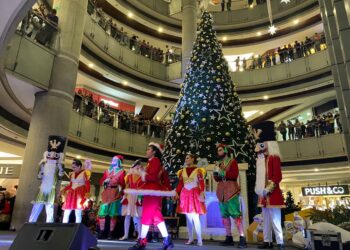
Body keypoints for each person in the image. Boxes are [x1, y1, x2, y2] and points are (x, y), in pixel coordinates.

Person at [127, 142, 175, 250]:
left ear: (154, 152)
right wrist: (142, 172)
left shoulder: (155, 161)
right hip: (151, 191)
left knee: (147, 215)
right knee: (157, 217)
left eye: (148, 149)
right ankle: (167, 240)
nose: (146, 151)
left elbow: (153, 177)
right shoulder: (151, 162)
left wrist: (141, 173)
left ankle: (142, 241)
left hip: (152, 191)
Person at [253, 121, 285, 250]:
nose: (259, 146)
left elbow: (277, 176)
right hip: (263, 195)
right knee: (265, 219)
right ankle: (267, 241)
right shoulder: (261, 160)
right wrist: (261, 189)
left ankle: (280, 241)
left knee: (276, 220)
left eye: (262, 143)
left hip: (272, 194)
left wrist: (268, 189)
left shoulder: (274, 158)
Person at [213, 144, 247, 248]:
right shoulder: (218, 163)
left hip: (231, 191)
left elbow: (234, 175)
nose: (218, 152)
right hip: (221, 192)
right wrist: (216, 173)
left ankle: (242, 238)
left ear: (225, 151)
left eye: (220, 150)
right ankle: (229, 237)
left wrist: (222, 172)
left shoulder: (232, 162)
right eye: (218, 150)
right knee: (224, 215)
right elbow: (216, 179)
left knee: (236, 214)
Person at [29, 136, 65, 223]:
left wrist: (61, 169)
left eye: (54, 155)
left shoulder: (58, 166)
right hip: (42, 188)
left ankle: (49, 223)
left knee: (49, 208)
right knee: (37, 205)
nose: (52, 156)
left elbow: (60, 177)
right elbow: (39, 177)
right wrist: (41, 172)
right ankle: (31, 222)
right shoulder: (43, 164)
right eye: (50, 154)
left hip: (51, 189)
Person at [176, 154, 206, 246]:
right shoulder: (182, 171)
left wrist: (201, 192)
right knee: (188, 218)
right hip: (185, 194)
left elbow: (201, 182)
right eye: (185, 158)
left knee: (195, 218)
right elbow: (180, 183)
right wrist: (177, 192)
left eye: (188, 158)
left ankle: (199, 239)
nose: (186, 159)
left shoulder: (198, 171)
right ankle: (190, 238)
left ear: (193, 159)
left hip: (194, 194)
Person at [98, 155, 126, 240]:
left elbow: (123, 184)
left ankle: (110, 233)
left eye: (115, 160)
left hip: (115, 193)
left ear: (119, 162)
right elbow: (101, 181)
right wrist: (104, 181)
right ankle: (102, 232)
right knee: (102, 213)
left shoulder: (122, 171)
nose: (113, 161)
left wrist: (120, 190)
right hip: (106, 193)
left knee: (113, 214)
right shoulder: (107, 171)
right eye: (112, 159)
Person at [120, 159, 143, 241]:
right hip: (129, 196)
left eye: (139, 165)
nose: (137, 167)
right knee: (127, 215)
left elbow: (143, 187)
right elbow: (127, 186)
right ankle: (125, 235)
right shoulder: (129, 176)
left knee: (139, 216)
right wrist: (124, 195)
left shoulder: (142, 176)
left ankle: (140, 236)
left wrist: (140, 196)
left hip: (138, 196)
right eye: (136, 165)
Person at [61, 159, 91, 223]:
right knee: (66, 211)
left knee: (78, 212)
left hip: (80, 194)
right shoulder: (72, 174)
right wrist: (64, 189)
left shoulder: (85, 173)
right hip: (71, 194)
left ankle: (77, 228)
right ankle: (64, 226)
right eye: (72, 167)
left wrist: (88, 193)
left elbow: (87, 183)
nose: (73, 168)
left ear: (79, 166)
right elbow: (70, 185)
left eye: (74, 167)